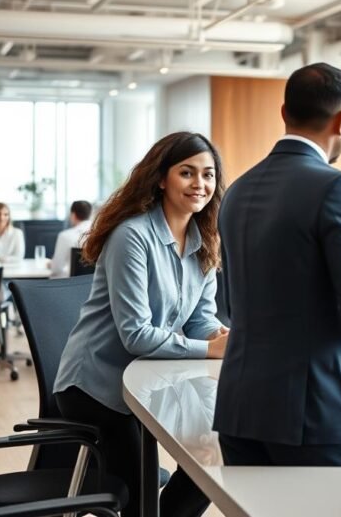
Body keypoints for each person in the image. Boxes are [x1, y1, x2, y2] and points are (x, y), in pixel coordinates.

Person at [53, 132, 228, 517]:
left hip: (149, 380)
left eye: (208, 174)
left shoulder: (204, 240)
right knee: (136, 497)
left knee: (215, 453)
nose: (200, 184)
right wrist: (210, 349)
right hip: (96, 387)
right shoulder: (132, 237)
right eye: (187, 172)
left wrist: (218, 335)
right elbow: (136, 334)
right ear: (162, 178)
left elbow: (200, 320)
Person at [214, 63, 341, 468]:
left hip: (240, 409)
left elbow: (228, 303)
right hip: (316, 413)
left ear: (284, 113)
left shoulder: (237, 191)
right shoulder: (338, 187)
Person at [50, 200, 93, 277]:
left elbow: (57, 269)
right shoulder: (99, 234)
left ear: (73, 215)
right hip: (92, 284)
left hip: (70, 285)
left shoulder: (65, 236)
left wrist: (51, 264)